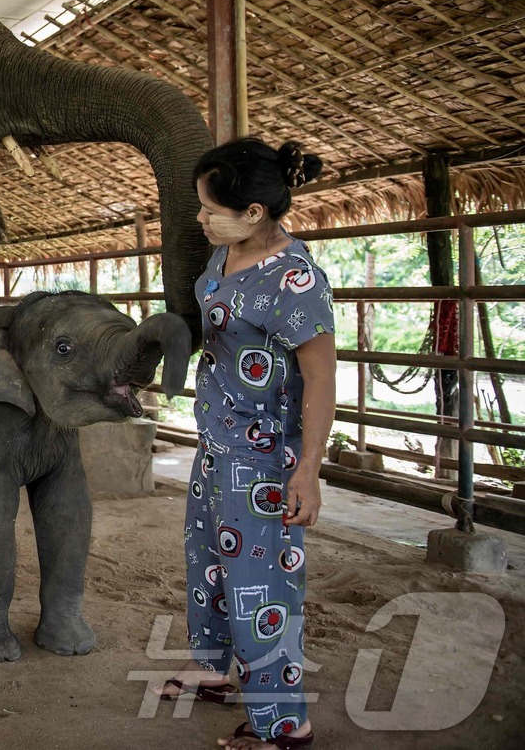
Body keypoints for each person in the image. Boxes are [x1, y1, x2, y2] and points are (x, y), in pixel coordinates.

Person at [152, 139, 334, 750]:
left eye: (210, 209)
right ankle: (213, 668)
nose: (200, 218)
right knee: (208, 570)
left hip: (262, 462)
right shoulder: (223, 257)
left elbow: (321, 384)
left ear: (254, 211)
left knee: (261, 588)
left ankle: (285, 726)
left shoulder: (296, 279)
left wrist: (306, 471)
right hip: (216, 447)